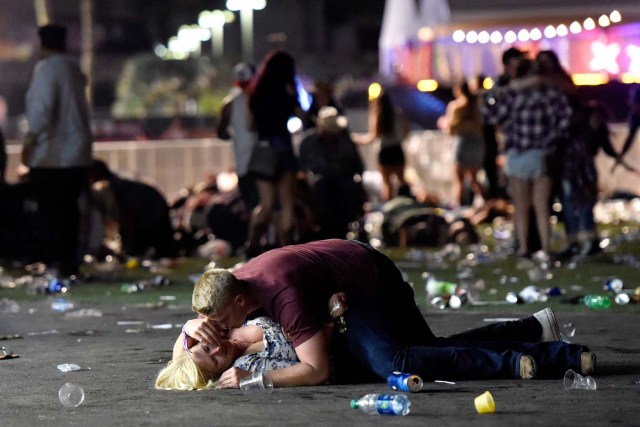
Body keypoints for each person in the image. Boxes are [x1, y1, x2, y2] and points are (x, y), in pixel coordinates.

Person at [184, 239, 595, 388]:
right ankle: (532, 329)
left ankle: (527, 360)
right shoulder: (230, 287)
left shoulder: (279, 295)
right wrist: (192, 326)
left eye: (217, 323)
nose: (215, 334)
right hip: (351, 274)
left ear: (239, 303)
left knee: (393, 361)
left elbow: (317, 369)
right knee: (426, 350)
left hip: (367, 283)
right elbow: (190, 347)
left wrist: (255, 381)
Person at [21, 24, 93, 277]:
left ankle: (56, 264)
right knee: (69, 212)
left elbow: (41, 113)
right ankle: (69, 264)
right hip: (78, 154)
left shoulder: (47, 69)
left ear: (42, 44)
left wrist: (29, 143)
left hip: (53, 156)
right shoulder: (73, 69)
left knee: (51, 212)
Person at [484, 59, 573, 260]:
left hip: (517, 154)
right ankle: (545, 248)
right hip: (541, 154)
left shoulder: (513, 94)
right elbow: (565, 116)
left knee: (521, 206)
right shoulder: (549, 92)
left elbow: (491, 116)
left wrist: (495, 92)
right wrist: (550, 141)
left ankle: (523, 248)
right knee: (542, 206)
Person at [245, 50, 302, 256]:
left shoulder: (257, 92)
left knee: (266, 203)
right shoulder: (288, 90)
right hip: (283, 146)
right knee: (287, 202)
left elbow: (249, 125)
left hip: (264, 148)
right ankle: (286, 248)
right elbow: (301, 117)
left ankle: (252, 243)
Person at [558, 102, 618, 258]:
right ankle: (574, 242)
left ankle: (590, 241)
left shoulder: (598, 133)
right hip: (572, 175)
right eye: (594, 118)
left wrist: (622, 161)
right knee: (571, 207)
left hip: (587, 174)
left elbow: (608, 150)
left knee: (586, 208)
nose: (597, 121)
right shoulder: (577, 133)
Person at [89, 159, 178, 260]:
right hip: (152, 213)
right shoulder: (116, 185)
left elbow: (128, 219)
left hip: (153, 216)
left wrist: (126, 248)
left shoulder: (119, 190)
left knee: (162, 252)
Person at [298, 106, 365, 239]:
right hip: (318, 186)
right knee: (322, 189)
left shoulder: (345, 141)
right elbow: (301, 168)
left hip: (342, 183)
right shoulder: (308, 142)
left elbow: (358, 165)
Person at [216, 62, 259, 213]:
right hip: (264, 163)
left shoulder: (229, 103)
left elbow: (221, 133)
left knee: (252, 207)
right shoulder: (262, 99)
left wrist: (237, 137)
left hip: (243, 164)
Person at [354, 88, 410, 202]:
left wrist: (358, 139)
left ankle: (390, 208)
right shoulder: (397, 113)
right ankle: (405, 203)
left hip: (385, 151)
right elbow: (406, 131)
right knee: (402, 181)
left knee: (387, 184)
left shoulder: (378, 116)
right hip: (397, 149)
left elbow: (373, 137)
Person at [438, 80, 486, 207]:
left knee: (458, 180)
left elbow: (451, 129)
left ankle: (459, 208)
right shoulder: (476, 105)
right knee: (474, 179)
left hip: (462, 143)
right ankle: (488, 202)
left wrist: (444, 123)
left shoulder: (456, 106)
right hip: (477, 143)